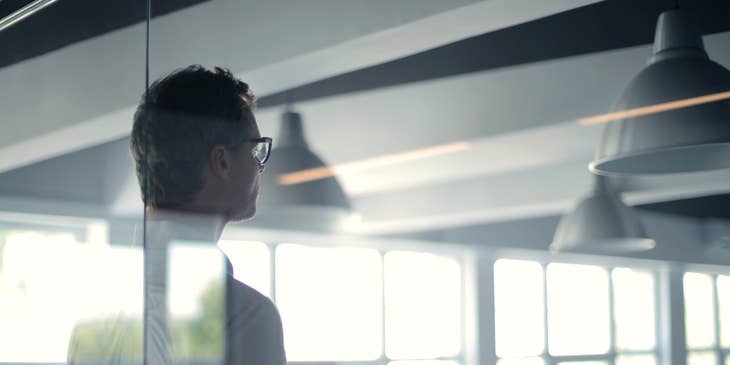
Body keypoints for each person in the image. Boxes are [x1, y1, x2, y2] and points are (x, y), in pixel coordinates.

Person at [67, 65, 285, 365]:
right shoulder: (246, 316)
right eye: (256, 151)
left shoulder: (91, 321)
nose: (260, 165)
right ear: (221, 162)